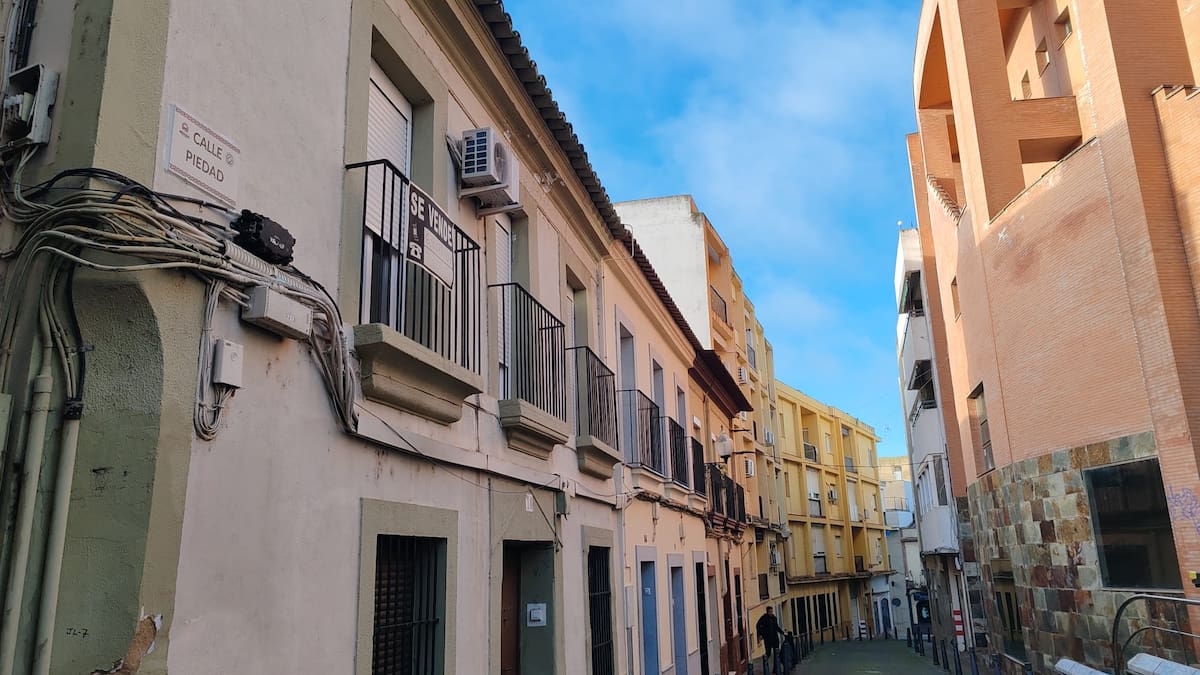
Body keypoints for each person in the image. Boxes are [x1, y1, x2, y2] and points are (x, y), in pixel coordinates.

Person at [756, 606, 788, 674]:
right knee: (768, 652)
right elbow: (758, 625)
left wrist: (783, 633)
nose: (771, 613)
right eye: (770, 612)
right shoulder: (764, 618)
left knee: (776, 653)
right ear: (767, 612)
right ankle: (766, 666)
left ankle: (775, 669)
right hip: (767, 638)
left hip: (775, 638)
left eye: (771, 611)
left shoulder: (774, 618)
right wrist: (760, 634)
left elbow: (777, 627)